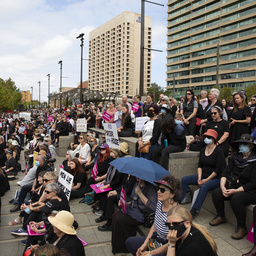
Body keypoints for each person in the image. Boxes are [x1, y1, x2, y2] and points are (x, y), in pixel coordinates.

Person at [209, 134, 256, 240]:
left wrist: (236, 191)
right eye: (240, 144)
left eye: (244, 144)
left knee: (236, 199)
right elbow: (225, 172)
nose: (241, 146)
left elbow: (253, 183)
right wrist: (222, 187)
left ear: (251, 146)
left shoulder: (254, 161)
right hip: (235, 185)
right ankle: (221, 216)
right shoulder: (236, 157)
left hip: (250, 190)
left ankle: (241, 227)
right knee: (217, 193)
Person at [126, 175, 182, 256]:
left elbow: (172, 243)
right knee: (130, 242)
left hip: (167, 248)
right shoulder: (160, 203)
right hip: (156, 240)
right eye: (158, 188)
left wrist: (149, 253)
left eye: (162, 190)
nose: (158, 191)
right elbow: (155, 225)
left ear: (172, 194)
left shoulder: (176, 213)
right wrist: (144, 245)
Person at [180, 129, 226, 218]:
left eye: (208, 137)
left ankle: (194, 210)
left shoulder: (219, 151)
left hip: (216, 178)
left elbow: (218, 170)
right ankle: (179, 200)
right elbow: (200, 165)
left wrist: (206, 180)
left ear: (213, 139)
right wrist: (199, 178)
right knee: (185, 179)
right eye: (205, 137)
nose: (206, 139)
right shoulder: (203, 149)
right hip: (203, 175)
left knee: (204, 187)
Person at [111, 178, 157, 254]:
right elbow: (133, 200)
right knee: (116, 215)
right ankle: (117, 246)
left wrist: (140, 194)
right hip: (132, 209)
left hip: (141, 214)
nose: (136, 176)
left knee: (120, 219)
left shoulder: (150, 188)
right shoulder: (136, 184)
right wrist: (124, 203)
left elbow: (152, 206)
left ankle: (124, 247)